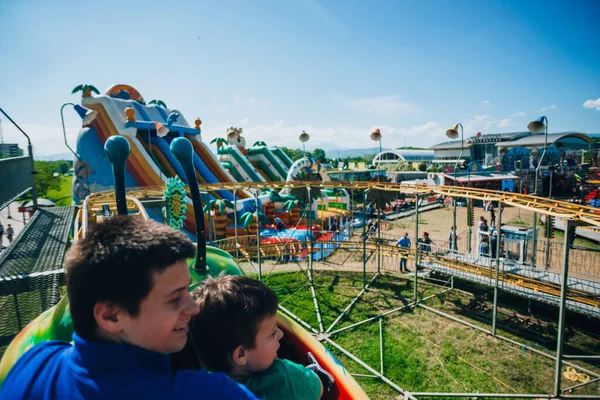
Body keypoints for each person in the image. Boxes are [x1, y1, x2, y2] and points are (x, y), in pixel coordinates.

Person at [0, 217, 258, 400]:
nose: (193, 307)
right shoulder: (210, 394)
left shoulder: (34, 363)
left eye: (188, 290)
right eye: (174, 298)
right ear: (111, 316)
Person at [190, 275, 323, 400]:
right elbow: (318, 387)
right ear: (241, 354)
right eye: (272, 333)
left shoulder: (198, 388)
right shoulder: (284, 381)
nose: (281, 334)